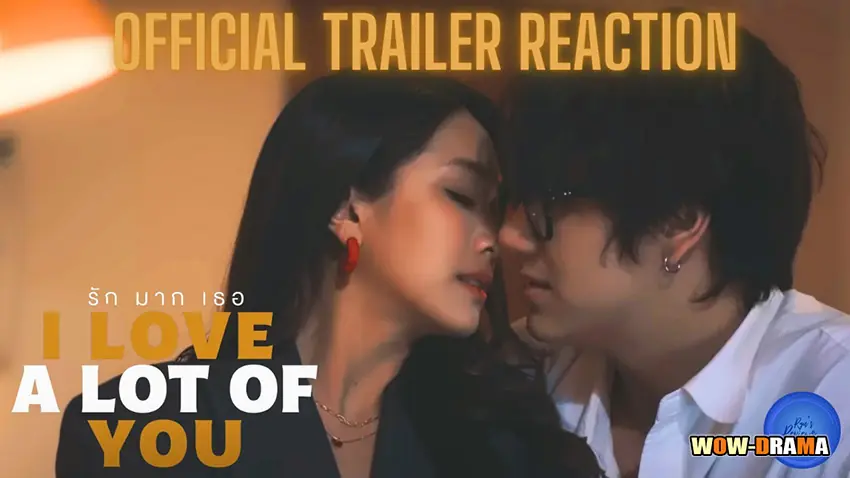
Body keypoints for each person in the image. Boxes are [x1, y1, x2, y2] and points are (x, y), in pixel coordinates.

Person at [55, 72, 602, 478]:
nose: (492, 239)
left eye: (494, 208)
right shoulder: (134, 432)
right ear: (347, 209)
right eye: (461, 195)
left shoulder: (515, 448)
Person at [498, 19, 850, 478]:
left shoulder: (832, 391)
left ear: (678, 224)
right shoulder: (514, 375)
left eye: (550, 203)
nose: (510, 236)